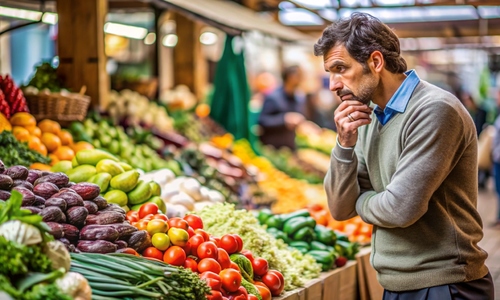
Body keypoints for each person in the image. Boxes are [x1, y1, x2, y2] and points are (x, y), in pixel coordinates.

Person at [316, 12, 493, 299]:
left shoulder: (434, 110)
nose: (333, 85)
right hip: (396, 283)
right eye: (330, 73)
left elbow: (400, 209)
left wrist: (362, 199)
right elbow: (339, 208)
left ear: (375, 62)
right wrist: (344, 143)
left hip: (445, 284)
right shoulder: (367, 117)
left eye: (340, 68)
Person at [257, 65, 306, 150]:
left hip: (290, 146)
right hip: (273, 148)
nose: (301, 79)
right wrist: (284, 119)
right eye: (299, 76)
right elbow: (262, 121)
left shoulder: (298, 98)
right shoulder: (273, 97)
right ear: (290, 77)